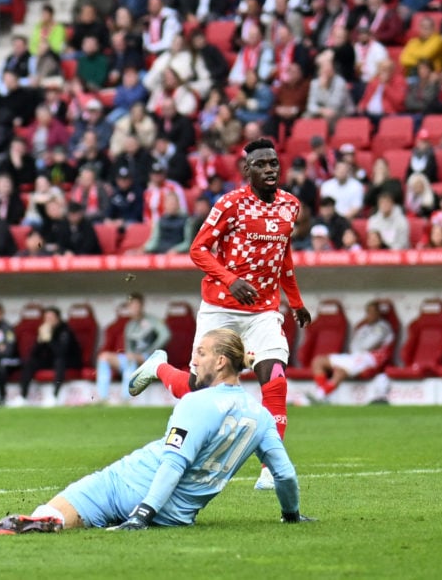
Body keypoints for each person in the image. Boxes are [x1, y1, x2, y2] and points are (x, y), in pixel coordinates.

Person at [0, 329, 313, 534]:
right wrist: (291, 515)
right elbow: (284, 475)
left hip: (135, 486)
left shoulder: (196, 403)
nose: (193, 359)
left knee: (77, 499)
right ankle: (48, 521)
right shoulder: (260, 416)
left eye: (200, 353)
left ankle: (46, 518)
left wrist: (142, 514)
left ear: (219, 362)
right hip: (178, 515)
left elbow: (174, 463)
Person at [128, 139, 312, 491]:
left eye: (274, 163)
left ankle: (270, 469)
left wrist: (296, 301)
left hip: (263, 311)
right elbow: (197, 249)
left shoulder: (290, 206)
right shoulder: (230, 205)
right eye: (261, 164)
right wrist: (231, 279)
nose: (271, 169)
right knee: (198, 388)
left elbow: (283, 257)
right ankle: (157, 368)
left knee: (274, 379)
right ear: (247, 170)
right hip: (221, 308)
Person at [309, 300, 394, 403]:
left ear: (378, 313)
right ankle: (322, 393)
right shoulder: (363, 327)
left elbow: (369, 345)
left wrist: (358, 349)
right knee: (318, 361)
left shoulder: (383, 327)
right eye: (369, 312)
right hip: (355, 356)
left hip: (371, 358)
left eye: (373, 312)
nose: (370, 315)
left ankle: (319, 396)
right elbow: (353, 344)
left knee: (340, 371)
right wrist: (356, 350)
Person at [94, 294, 170, 404]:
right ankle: (102, 398)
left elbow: (165, 335)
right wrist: (130, 355)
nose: (134, 308)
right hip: (132, 358)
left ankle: (126, 399)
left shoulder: (152, 321)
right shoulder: (129, 325)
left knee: (131, 359)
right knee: (104, 357)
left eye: (136, 305)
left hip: (150, 358)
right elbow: (128, 348)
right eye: (131, 306)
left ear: (142, 306)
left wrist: (151, 350)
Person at [10, 306, 82, 407]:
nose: (48, 320)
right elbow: (34, 354)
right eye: (46, 318)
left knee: (59, 361)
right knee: (30, 362)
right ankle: (23, 397)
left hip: (69, 361)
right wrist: (40, 340)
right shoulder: (44, 330)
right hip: (50, 361)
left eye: (51, 318)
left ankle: (54, 396)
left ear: (58, 318)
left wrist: (49, 339)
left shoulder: (65, 331)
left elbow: (61, 353)